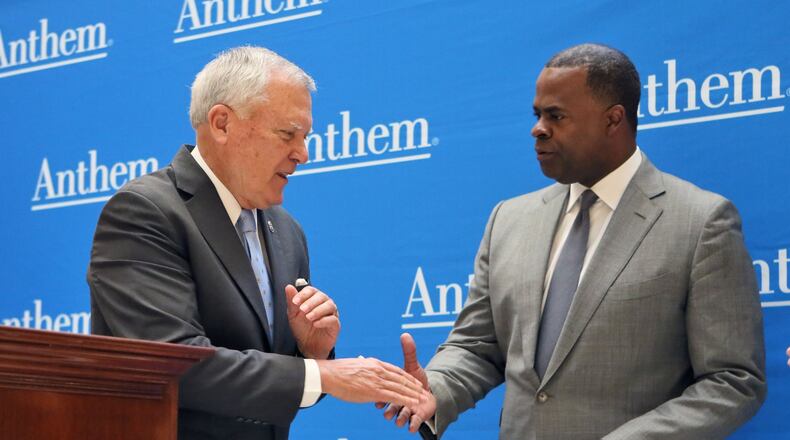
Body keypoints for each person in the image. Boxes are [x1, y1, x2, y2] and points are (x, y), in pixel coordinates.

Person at [383, 43, 766, 439]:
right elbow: (479, 345)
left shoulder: (701, 222)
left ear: (613, 120)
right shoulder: (508, 220)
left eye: (556, 116)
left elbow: (734, 380)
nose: (538, 128)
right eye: (537, 114)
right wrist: (436, 389)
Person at [88, 46, 425, 440]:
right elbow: (176, 364)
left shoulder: (287, 230)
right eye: (288, 134)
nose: (303, 153)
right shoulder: (145, 212)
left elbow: (280, 391)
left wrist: (310, 351)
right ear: (222, 124)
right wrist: (322, 374)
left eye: (306, 137)